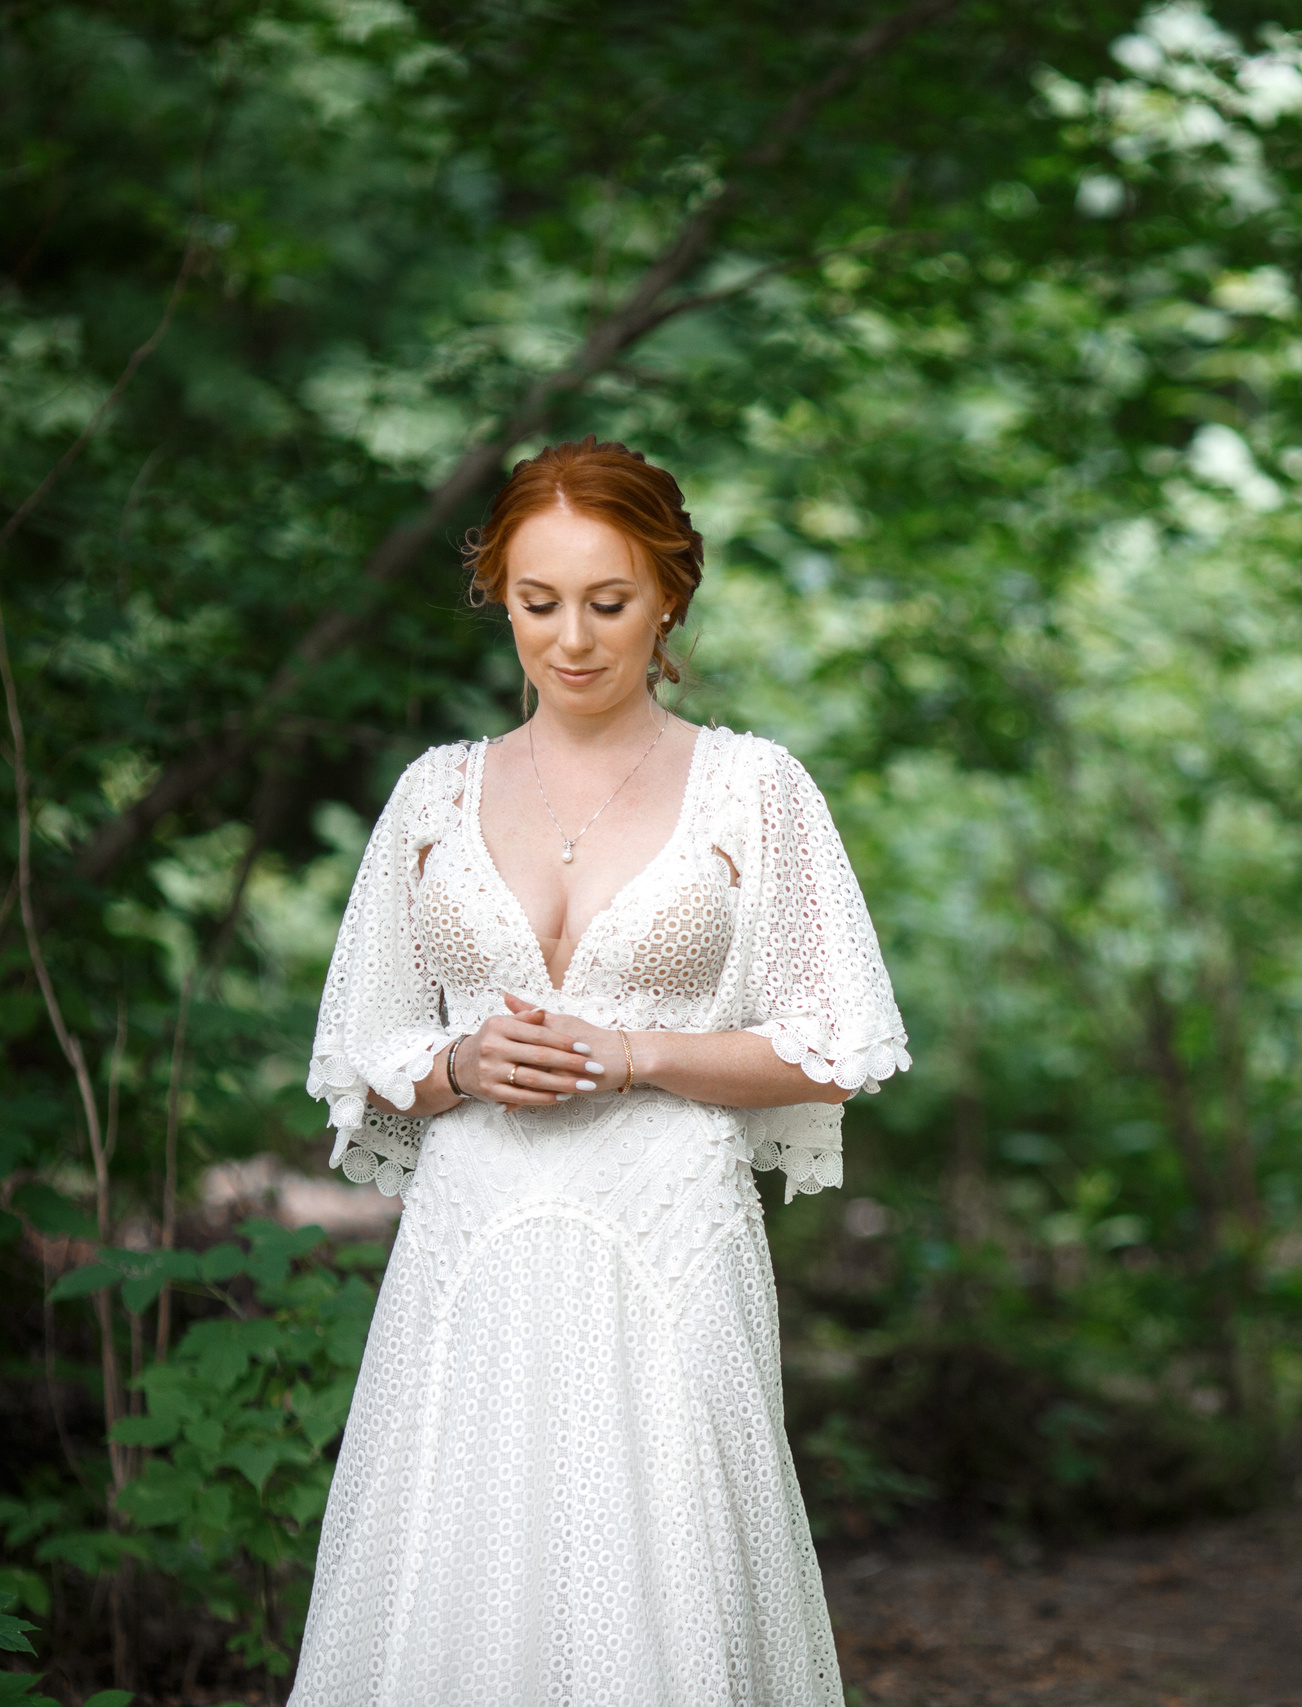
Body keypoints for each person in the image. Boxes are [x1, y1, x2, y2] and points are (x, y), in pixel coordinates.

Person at [289, 437, 911, 1706]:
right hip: (474, 1247)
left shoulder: (755, 790)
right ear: (499, 598)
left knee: (660, 1573)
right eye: (538, 602)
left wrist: (638, 1053)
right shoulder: (432, 797)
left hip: (666, 1234)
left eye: (608, 602)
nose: (572, 638)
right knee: (457, 1568)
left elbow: (833, 1044)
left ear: (670, 593)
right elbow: (365, 1051)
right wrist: (457, 1063)